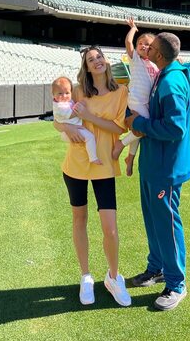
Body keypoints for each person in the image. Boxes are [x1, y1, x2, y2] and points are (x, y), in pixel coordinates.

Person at [53, 45, 132, 307]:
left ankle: (113, 276)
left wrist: (88, 116)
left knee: (109, 227)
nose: (96, 61)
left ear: (106, 61)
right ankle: (85, 276)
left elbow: (118, 127)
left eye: (99, 57)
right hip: (75, 163)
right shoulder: (76, 90)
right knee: (80, 218)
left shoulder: (121, 92)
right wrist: (65, 126)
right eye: (90, 59)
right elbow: (56, 120)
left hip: (104, 165)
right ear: (86, 67)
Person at [125, 32, 190, 311]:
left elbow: (175, 128)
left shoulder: (172, 81)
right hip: (153, 163)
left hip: (166, 168)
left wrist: (139, 123)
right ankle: (156, 268)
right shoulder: (161, 73)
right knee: (154, 222)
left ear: (160, 54)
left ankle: (176, 283)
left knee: (166, 224)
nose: (146, 48)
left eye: (151, 47)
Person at [112, 18, 158, 176]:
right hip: (136, 100)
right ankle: (121, 144)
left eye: (149, 45)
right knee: (142, 128)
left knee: (138, 131)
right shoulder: (135, 60)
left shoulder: (155, 65)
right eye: (141, 43)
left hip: (147, 103)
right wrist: (133, 28)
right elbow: (128, 43)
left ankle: (130, 159)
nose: (144, 46)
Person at [52, 76, 102, 165]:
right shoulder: (59, 106)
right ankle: (93, 158)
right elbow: (71, 114)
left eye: (67, 93)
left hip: (72, 128)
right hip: (71, 131)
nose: (64, 96)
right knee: (90, 137)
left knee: (87, 139)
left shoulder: (64, 102)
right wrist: (80, 106)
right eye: (60, 93)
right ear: (53, 94)